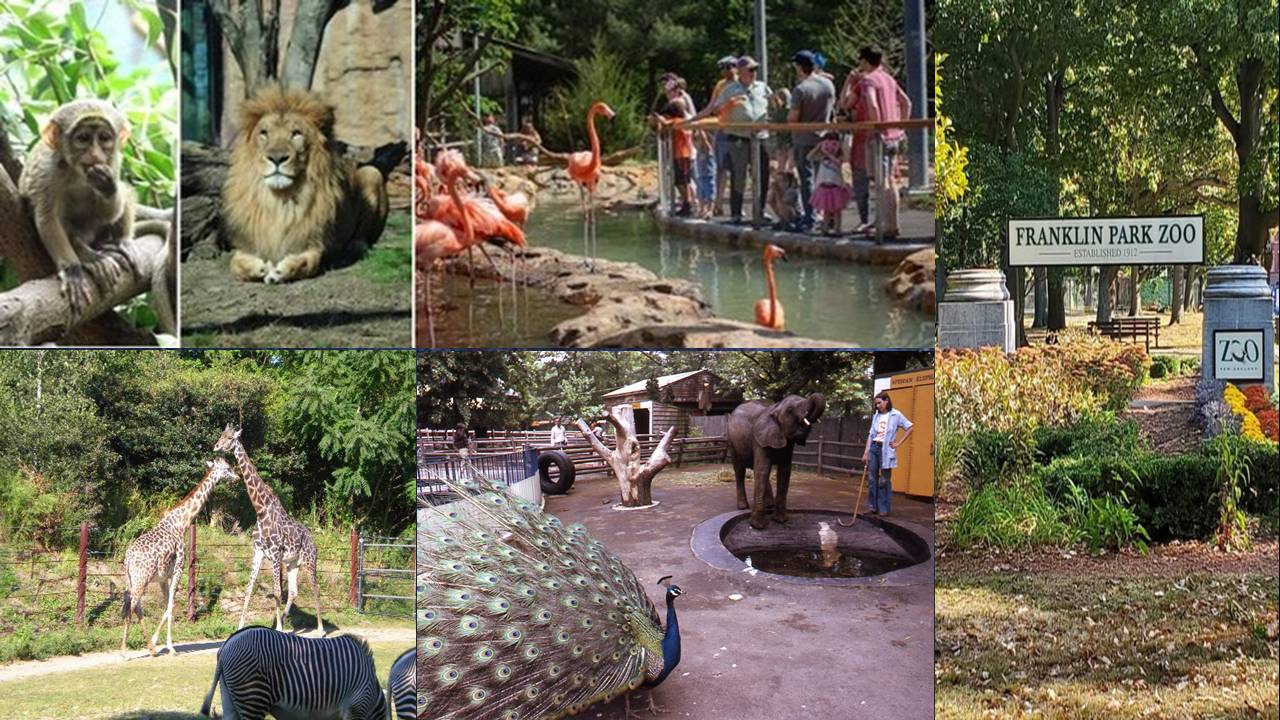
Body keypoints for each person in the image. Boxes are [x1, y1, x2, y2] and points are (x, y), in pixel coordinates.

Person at [695, 55, 771, 225]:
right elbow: (716, 109)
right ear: (741, 71)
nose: (754, 73)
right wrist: (728, 105)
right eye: (751, 69)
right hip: (738, 137)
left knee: (763, 173)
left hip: (760, 137)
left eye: (755, 69)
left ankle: (760, 210)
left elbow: (773, 103)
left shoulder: (762, 87)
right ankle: (736, 212)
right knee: (739, 175)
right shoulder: (729, 89)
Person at [854, 46, 912, 239]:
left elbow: (872, 103)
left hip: (879, 138)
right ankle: (891, 224)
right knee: (891, 181)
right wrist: (900, 127)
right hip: (894, 136)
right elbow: (906, 103)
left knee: (881, 182)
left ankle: (884, 227)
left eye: (861, 60)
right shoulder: (889, 78)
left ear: (865, 61)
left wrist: (877, 128)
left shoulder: (868, 80)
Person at [787, 50, 836, 233]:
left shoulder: (801, 89)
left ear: (799, 67)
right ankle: (828, 216)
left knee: (807, 180)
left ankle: (811, 217)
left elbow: (793, 118)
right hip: (824, 138)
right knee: (825, 179)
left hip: (804, 138)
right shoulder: (828, 85)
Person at [860, 391, 913, 516]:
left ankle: (883, 508)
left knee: (884, 480)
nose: (877, 406)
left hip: (886, 450)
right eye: (876, 404)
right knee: (872, 479)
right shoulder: (876, 416)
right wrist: (866, 452)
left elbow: (910, 427)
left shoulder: (896, 414)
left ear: (886, 401)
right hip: (874, 447)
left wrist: (898, 443)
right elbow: (871, 434)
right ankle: (872, 507)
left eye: (879, 403)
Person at [839, 69, 872, 231]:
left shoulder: (862, 87)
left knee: (861, 182)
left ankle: (865, 220)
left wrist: (848, 82)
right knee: (881, 182)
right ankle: (876, 220)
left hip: (863, 141)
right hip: (876, 139)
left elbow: (843, 103)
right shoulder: (886, 82)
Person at [654, 98, 694, 216]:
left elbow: (667, 123)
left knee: (683, 180)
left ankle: (688, 203)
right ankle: (686, 202)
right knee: (680, 180)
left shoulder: (678, 121)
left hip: (682, 154)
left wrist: (660, 119)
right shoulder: (679, 121)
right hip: (680, 154)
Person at [709, 56, 737, 217]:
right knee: (720, 168)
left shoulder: (739, 84)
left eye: (726, 68)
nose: (723, 72)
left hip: (736, 130)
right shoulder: (721, 85)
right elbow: (713, 106)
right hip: (722, 128)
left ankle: (736, 206)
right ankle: (718, 203)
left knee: (736, 169)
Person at [806, 131, 850, 235]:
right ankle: (824, 229)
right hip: (824, 186)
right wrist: (818, 147)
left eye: (834, 144)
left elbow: (839, 162)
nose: (830, 148)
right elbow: (809, 157)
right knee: (826, 210)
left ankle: (837, 229)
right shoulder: (821, 157)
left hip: (836, 186)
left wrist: (830, 154)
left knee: (837, 210)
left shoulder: (838, 158)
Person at [768, 88, 793, 175]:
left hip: (788, 140)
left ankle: (785, 183)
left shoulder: (782, 111)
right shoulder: (781, 110)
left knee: (784, 165)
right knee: (787, 165)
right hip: (785, 140)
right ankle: (785, 183)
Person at [693, 130, 716, 218]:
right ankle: (702, 209)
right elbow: (693, 141)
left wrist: (702, 132)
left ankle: (710, 210)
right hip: (701, 175)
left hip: (709, 175)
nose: (697, 142)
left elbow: (706, 142)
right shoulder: (699, 151)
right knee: (700, 194)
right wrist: (694, 131)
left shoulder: (709, 150)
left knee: (710, 193)